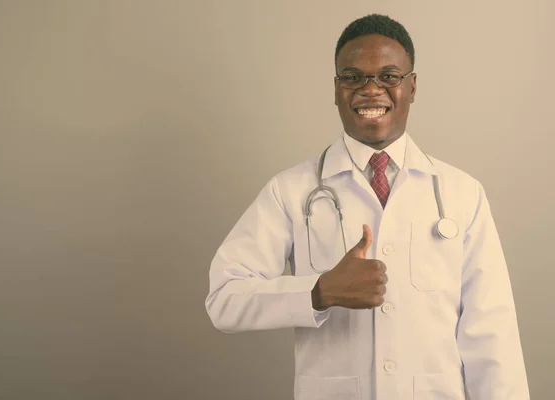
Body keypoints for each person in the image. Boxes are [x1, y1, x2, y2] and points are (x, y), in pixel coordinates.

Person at [205, 14, 529, 400]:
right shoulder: (290, 190)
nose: (371, 90)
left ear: (412, 86)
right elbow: (224, 299)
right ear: (336, 89)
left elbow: (492, 334)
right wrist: (319, 291)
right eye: (353, 77)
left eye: (389, 76)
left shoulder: (462, 192)